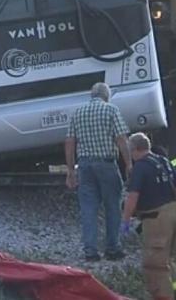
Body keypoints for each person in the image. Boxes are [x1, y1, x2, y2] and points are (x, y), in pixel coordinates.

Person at [65, 82, 132, 262]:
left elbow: (70, 143)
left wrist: (70, 170)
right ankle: (112, 248)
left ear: (92, 95)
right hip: (106, 163)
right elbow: (121, 139)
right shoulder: (111, 110)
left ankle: (90, 251)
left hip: (85, 166)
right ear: (106, 95)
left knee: (88, 209)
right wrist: (129, 164)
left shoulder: (78, 113)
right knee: (112, 207)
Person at [122, 133, 176, 300]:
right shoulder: (163, 161)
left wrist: (125, 220)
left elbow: (132, 197)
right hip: (174, 211)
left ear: (135, 149)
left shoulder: (140, 167)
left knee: (155, 265)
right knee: (167, 259)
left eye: (130, 151)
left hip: (157, 218)